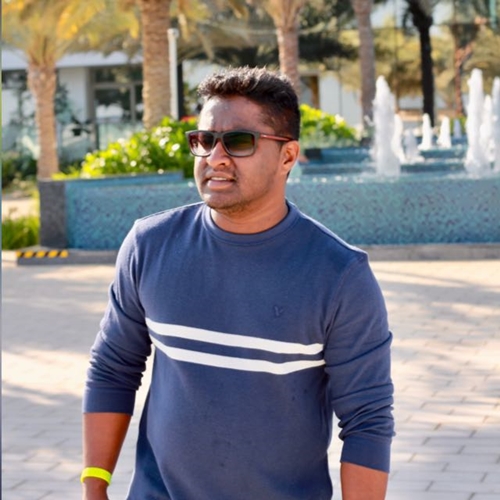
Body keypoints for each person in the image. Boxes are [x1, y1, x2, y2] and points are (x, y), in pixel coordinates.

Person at [82, 66, 394, 500]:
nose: (215, 158)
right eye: (204, 140)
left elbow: (367, 420)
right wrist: (94, 484)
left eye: (239, 141)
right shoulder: (149, 245)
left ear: (288, 156)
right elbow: (113, 368)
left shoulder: (340, 275)